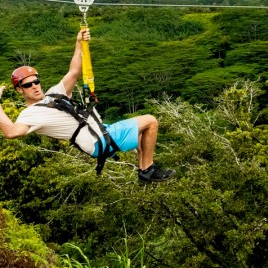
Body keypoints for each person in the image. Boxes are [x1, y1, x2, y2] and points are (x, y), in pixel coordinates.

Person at [0, 28, 175, 184]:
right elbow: (11, 132)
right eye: (28, 85)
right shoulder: (29, 114)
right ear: (19, 90)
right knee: (151, 121)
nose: (34, 86)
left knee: (140, 136)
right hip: (95, 141)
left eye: (36, 81)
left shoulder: (55, 93)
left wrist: (79, 43)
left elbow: (74, 72)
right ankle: (147, 170)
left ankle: (144, 169)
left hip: (101, 132)